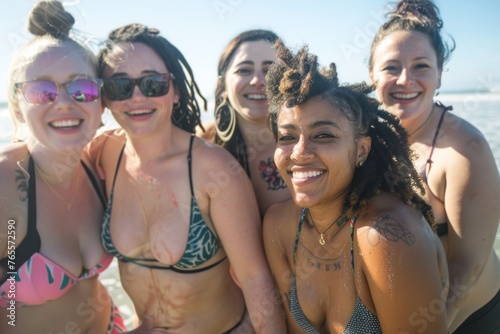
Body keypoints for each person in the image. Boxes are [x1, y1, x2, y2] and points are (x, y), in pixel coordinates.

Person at [91, 23, 286, 333]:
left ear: (176, 90)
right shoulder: (102, 154)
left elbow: (255, 280)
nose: (137, 97)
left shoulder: (213, 168)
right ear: (103, 96)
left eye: (153, 83)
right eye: (119, 86)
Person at [263, 40, 449, 333]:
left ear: (361, 150)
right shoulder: (279, 225)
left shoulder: (386, 236)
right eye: (287, 137)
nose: (299, 152)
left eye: (323, 135)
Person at [368, 1, 500, 332]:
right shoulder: (362, 137)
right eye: (391, 67)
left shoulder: (464, 151)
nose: (405, 79)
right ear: (371, 75)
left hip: (464, 317)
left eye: (421, 66)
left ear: (440, 75)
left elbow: (466, 266)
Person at [0, 1, 126, 333]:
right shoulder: (4, 184)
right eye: (42, 91)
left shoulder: (103, 160)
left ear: (101, 100)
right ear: (17, 103)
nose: (65, 103)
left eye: (81, 88)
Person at [200, 29, 291, 217]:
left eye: (270, 70)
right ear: (222, 85)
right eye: (244, 70)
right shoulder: (201, 142)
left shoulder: (306, 146)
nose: (258, 81)